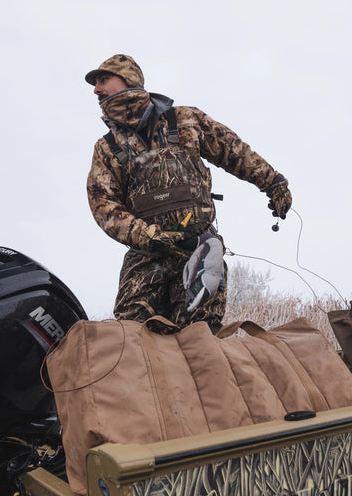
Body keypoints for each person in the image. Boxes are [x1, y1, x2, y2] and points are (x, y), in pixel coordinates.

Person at [84, 54, 291, 331]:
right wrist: (149, 237)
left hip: (200, 252)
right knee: (131, 343)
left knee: (201, 343)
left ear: (129, 78)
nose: (96, 89)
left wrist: (273, 182)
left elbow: (234, 151)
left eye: (104, 80)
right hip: (146, 258)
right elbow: (103, 205)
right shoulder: (107, 147)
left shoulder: (184, 119)